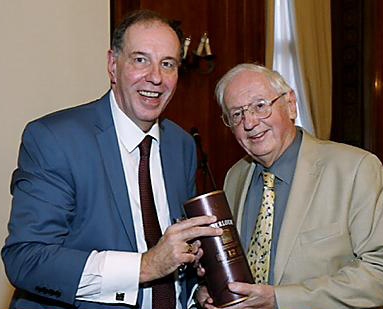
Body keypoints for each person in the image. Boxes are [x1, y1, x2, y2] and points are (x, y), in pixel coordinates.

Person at [2, 9, 222, 309]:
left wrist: (196, 290)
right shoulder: (54, 139)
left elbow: (176, 252)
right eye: (140, 59)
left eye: (167, 64)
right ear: (112, 65)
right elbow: (26, 259)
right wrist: (144, 266)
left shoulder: (181, 145)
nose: (156, 78)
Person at [196, 63, 383, 308]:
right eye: (236, 114)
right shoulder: (236, 176)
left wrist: (280, 299)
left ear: (290, 104)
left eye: (260, 106)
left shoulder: (355, 170)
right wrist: (213, 289)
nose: (250, 122)